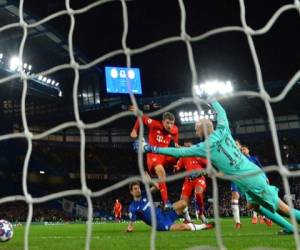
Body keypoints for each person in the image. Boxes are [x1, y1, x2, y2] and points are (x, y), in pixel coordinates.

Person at [135, 100, 299, 235]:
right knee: (253, 206)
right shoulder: (224, 128)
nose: (195, 130)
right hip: (251, 173)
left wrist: (151, 148)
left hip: (250, 179)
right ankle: (291, 229)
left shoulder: (205, 146)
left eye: (197, 128)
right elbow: (222, 112)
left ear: (203, 129)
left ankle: (293, 227)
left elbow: (178, 152)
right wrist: (211, 100)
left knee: (283, 208)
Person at [130, 111, 179, 209]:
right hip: (153, 155)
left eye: (172, 123)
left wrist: (177, 154)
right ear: (163, 122)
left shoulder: (174, 130)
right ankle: (166, 202)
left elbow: (176, 143)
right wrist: (134, 130)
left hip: (165, 155)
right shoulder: (154, 124)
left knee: (183, 154)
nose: (170, 126)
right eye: (167, 123)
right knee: (162, 173)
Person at [126, 181, 214, 232]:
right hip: (160, 224)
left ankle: (187, 219)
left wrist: (149, 180)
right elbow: (131, 222)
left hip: (164, 213)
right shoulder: (133, 207)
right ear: (131, 192)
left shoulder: (145, 194)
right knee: (183, 227)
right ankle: (204, 226)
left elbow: (157, 186)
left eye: (138, 188)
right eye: (135, 189)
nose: (138, 190)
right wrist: (130, 228)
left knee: (183, 203)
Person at [174, 141, 208, 223]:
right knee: (182, 202)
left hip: (199, 178)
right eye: (186, 145)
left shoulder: (198, 154)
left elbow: (208, 163)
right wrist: (176, 168)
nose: (187, 146)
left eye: (189, 145)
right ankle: (187, 218)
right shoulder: (183, 157)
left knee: (198, 193)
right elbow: (178, 166)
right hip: (188, 181)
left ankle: (201, 214)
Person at [241, 144, 272, 226]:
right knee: (253, 199)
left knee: (261, 197)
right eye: (242, 150)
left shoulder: (254, 159)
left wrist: (265, 177)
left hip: (257, 180)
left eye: (244, 149)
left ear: (248, 150)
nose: (243, 151)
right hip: (247, 181)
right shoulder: (241, 160)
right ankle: (255, 216)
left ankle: (263, 216)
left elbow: (261, 169)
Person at [229, 139, 242, 229]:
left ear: (240, 146)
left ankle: (265, 217)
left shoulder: (247, 157)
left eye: (236, 144)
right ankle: (237, 222)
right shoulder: (229, 155)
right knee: (235, 197)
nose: (235, 145)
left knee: (253, 201)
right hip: (235, 178)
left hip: (247, 178)